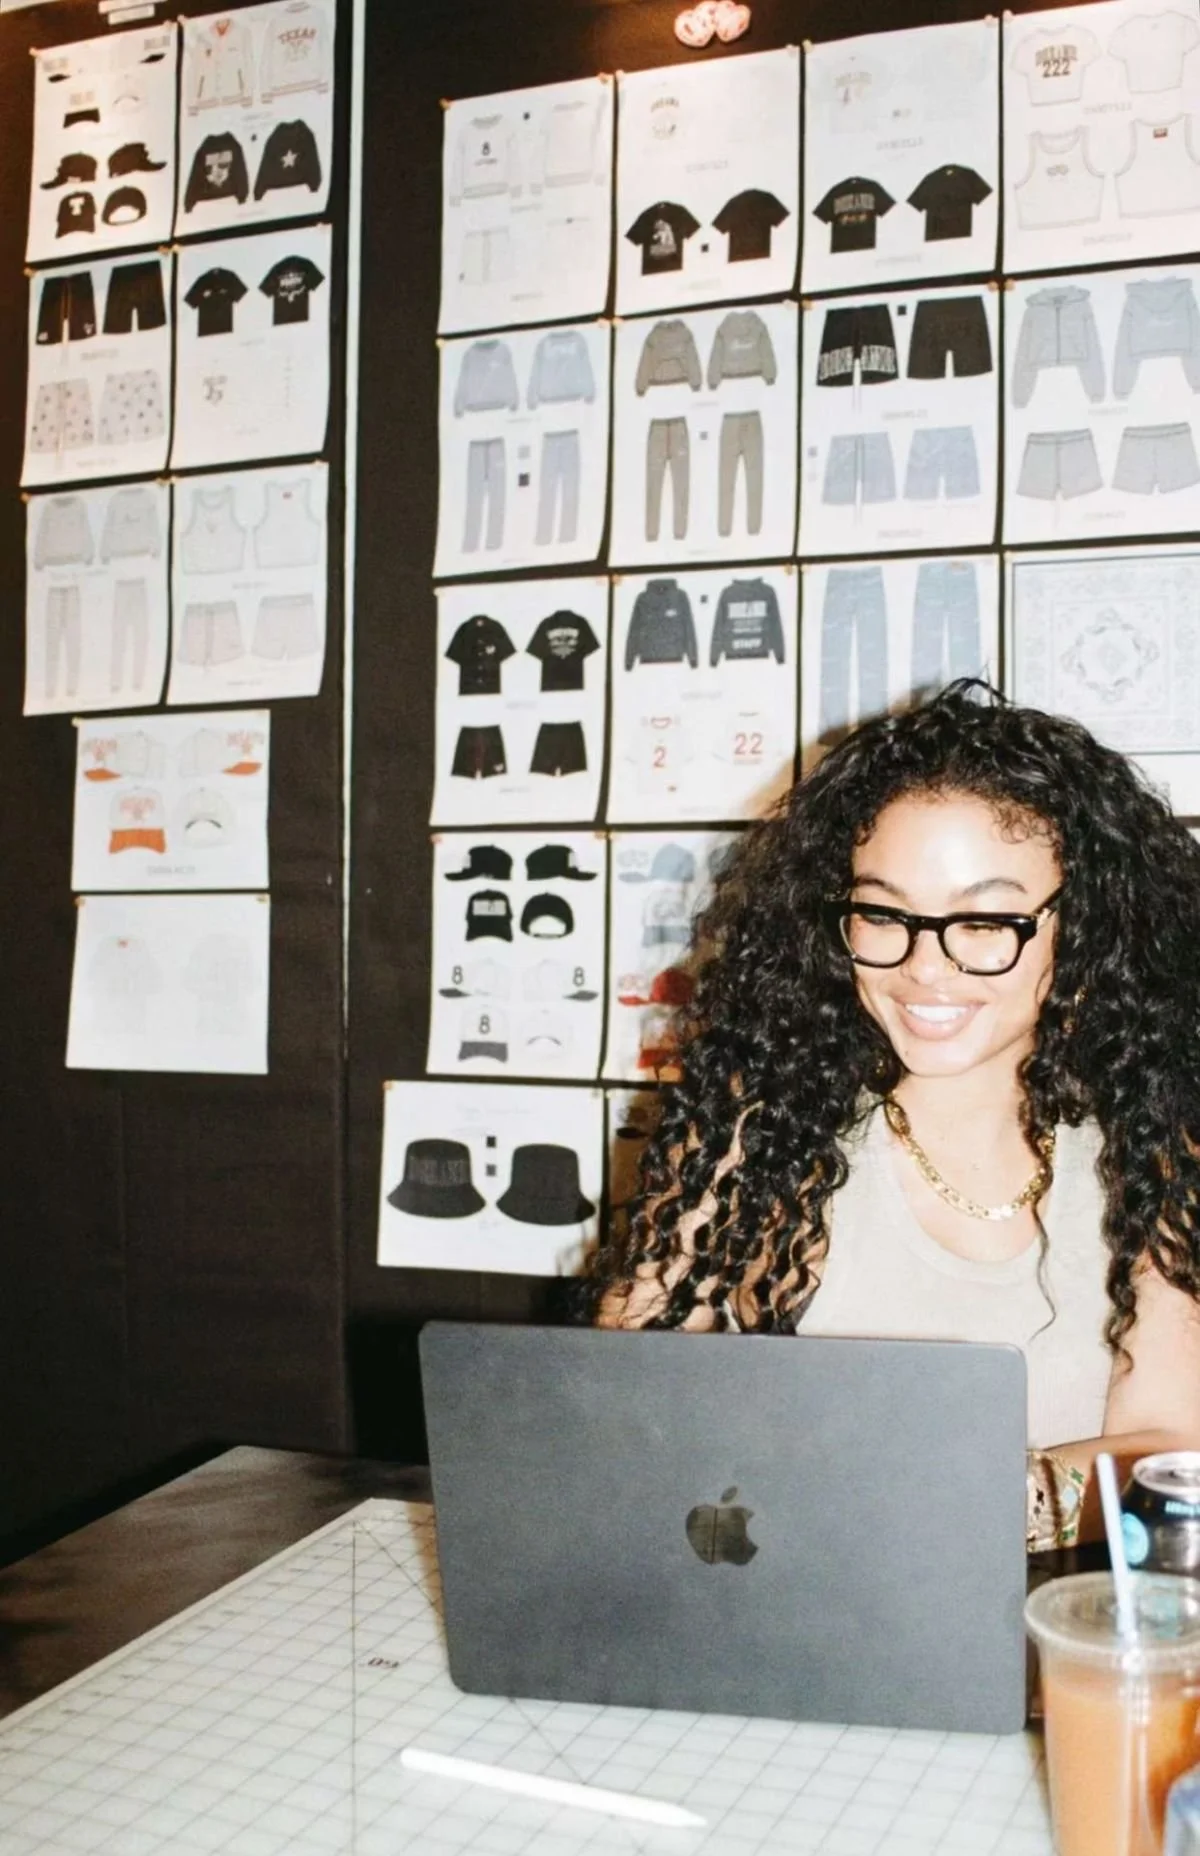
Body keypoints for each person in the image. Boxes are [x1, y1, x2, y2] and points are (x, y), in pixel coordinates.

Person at [588, 684, 1200, 1550]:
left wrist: (949, 1491)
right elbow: (610, 1411)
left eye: (985, 920)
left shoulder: (1150, 1154)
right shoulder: (760, 1141)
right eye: (882, 913)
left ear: (1089, 929)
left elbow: (1169, 1450)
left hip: (1052, 1636)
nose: (924, 966)